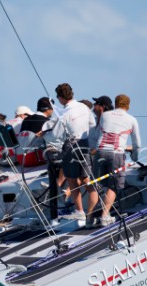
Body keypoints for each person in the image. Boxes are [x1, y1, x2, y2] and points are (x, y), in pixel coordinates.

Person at [88, 94, 141, 227]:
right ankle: (105, 216)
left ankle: (89, 219)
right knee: (113, 185)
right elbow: (137, 143)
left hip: (100, 151)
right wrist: (134, 157)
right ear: (128, 105)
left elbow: (98, 133)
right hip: (116, 153)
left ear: (116, 104)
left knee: (95, 184)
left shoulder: (105, 115)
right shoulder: (132, 120)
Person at [52, 83, 96, 223]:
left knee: (72, 178)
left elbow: (56, 134)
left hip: (71, 145)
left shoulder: (65, 113)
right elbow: (92, 124)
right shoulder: (84, 107)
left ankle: (79, 211)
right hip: (84, 143)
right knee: (85, 178)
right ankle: (91, 211)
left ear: (60, 98)